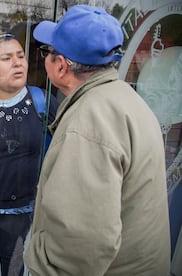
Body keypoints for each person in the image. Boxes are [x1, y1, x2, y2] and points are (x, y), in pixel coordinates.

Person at [24, 5, 171, 276]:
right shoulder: (124, 99)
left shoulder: (88, 124)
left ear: (60, 66)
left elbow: (79, 249)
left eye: (47, 51)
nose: (44, 58)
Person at [0, 34, 58, 276]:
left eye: (21, 56)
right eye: (6, 58)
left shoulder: (41, 102)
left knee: (14, 262)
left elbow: (64, 150)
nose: (18, 63)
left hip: (21, 206)